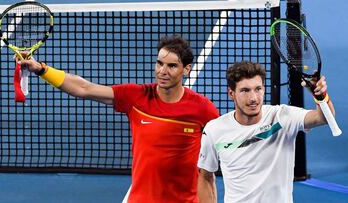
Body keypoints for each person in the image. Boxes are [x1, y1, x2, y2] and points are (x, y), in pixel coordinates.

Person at [17, 35, 219, 203]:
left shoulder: (203, 110)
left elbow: (209, 171)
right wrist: (42, 69)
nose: (162, 71)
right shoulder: (136, 97)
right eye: (159, 63)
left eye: (172, 66)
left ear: (187, 69)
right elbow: (84, 88)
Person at [197, 61, 336, 203]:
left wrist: (321, 96)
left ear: (263, 89)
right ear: (231, 93)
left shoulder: (282, 117)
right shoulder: (214, 130)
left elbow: (324, 117)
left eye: (258, 89)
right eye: (245, 90)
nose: (253, 98)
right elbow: (205, 177)